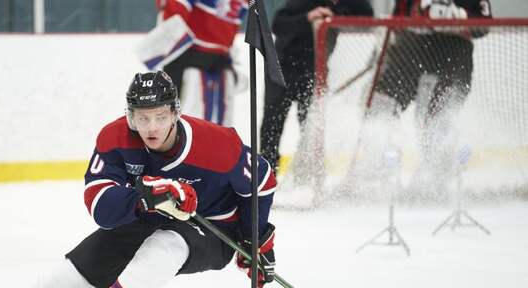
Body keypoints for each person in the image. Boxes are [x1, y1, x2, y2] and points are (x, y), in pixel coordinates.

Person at [0, 70, 277, 288]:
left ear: (175, 113)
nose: (151, 127)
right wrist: (145, 198)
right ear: (130, 116)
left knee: (165, 248)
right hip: (150, 214)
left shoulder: (216, 144)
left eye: (160, 117)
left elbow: (262, 181)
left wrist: (255, 238)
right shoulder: (115, 139)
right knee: (78, 268)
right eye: (142, 118)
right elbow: (100, 206)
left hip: (214, 227)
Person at [347, 0, 492, 199]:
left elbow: (483, 25)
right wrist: (389, 34)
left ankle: (435, 176)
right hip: (412, 47)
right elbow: (401, 14)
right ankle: (376, 168)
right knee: (380, 104)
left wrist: (453, 16)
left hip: (454, 53)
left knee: (437, 121)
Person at [260, 0, 374, 175]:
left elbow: (367, 14)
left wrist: (337, 10)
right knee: (272, 126)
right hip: (282, 68)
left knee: (311, 128)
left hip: (313, 73)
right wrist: (308, 17)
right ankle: (267, 175)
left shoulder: (348, 4)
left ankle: (307, 176)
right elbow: (278, 24)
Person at [149, 0, 249, 126]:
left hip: (219, 63)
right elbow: (174, 15)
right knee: (191, 124)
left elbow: (232, 22)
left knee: (219, 127)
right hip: (192, 63)